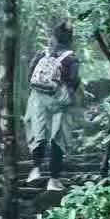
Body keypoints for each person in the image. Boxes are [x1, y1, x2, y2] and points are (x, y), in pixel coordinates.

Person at [25, 21, 80, 191]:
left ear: (54, 38)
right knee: (58, 137)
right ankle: (54, 180)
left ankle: (35, 170)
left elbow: (30, 75)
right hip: (59, 100)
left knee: (38, 132)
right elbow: (73, 81)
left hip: (38, 99)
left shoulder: (42, 54)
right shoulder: (71, 59)